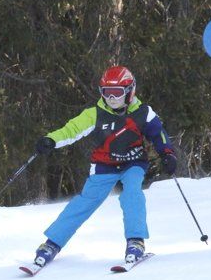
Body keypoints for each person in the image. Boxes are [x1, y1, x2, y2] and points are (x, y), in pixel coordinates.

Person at [30, 65, 176, 268]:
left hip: (132, 163)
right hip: (104, 165)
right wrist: (51, 140)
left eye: (117, 92)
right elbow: (71, 130)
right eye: (106, 92)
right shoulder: (94, 114)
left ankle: (135, 241)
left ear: (129, 91)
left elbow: (158, 134)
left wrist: (167, 154)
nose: (111, 98)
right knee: (85, 202)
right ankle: (52, 244)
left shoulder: (143, 113)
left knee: (132, 193)